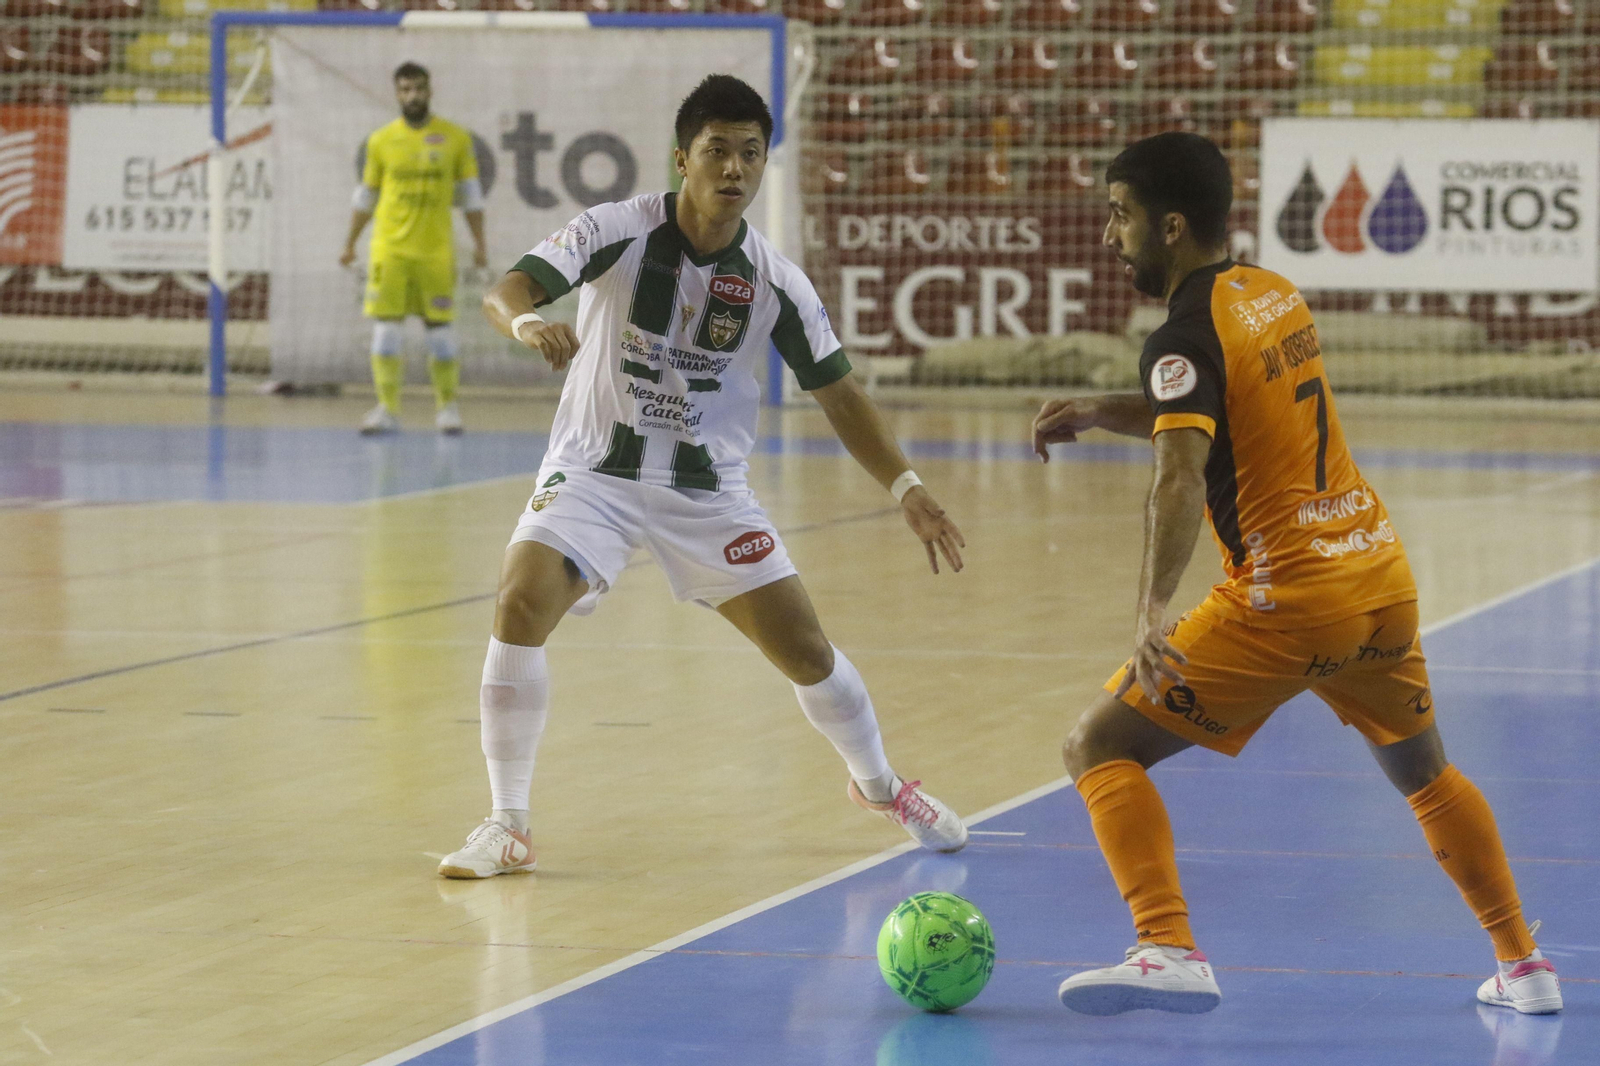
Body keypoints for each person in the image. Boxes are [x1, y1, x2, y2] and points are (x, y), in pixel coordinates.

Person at [1033, 132, 1562, 1018]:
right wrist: (1098, 411)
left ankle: (1165, 947)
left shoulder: (1183, 332)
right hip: (1376, 575)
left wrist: (1151, 610)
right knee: (1425, 772)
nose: (1109, 235)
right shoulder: (1270, 294)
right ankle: (1524, 966)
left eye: (1120, 216)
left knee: (1098, 745)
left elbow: (1180, 471)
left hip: (1288, 599)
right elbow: (1220, 406)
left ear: (1170, 226)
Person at [436, 74, 969, 879]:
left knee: (806, 651)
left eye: (750, 153)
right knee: (518, 600)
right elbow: (507, 288)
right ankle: (508, 823)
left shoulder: (776, 281)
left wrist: (907, 488)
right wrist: (527, 321)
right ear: (682, 157)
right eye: (716, 150)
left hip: (707, 493)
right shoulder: (616, 229)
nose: (733, 168)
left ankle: (882, 786)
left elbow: (840, 391)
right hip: (594, 473)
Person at [340, 61, 488, 436]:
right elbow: (367, 196)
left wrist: (480, 244)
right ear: (396, 93)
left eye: (419, 88)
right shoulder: (381, 141)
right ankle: (387, 408)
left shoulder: (455, 138)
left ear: (430, 90)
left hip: (435, 251)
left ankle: (448, 408)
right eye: (405, 89)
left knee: (439, 332)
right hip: (389, 249)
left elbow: (470, 196)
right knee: (386, 331)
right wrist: (350, 243)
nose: (413, 96)